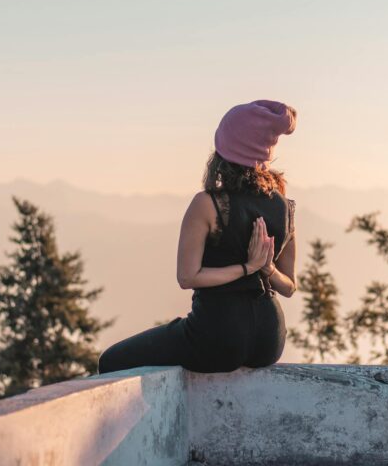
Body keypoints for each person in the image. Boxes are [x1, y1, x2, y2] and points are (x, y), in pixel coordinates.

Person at [97, 99, 298, 374]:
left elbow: (188, 277)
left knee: (110, 361)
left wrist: (247, 268)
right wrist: (268, 269)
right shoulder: (284, 207)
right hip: (269, 340)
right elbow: (288, 287)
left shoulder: (207, 204)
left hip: (218, 337)